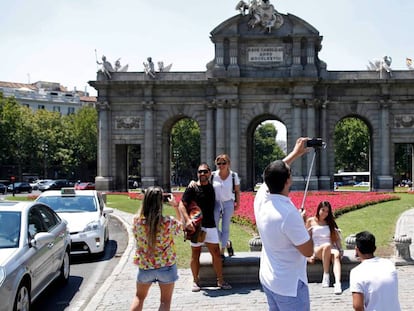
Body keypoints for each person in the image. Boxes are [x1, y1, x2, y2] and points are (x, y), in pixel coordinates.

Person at [254, 137, 314, 311]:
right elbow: (308, 251)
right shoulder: (289, 215)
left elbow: (271, 175)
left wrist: (295, 154)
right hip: (289, 286)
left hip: (269, 278)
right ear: (288, 180)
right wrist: (304, 226)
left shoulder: (261, 198)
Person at [178, 163, 232, 292]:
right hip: (196, 226)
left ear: (209, 173)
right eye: (200, 172)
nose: (202, 174)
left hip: (210, 225)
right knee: (195, 254)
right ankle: (195, 281)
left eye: (205, 172)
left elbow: (224, 172)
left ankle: (220, 281)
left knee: (216, 254)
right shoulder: (192, 188)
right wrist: (188, 220)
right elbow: (181, 204)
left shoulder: (213, 186)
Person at [130, 186, 182, 311]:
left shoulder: (136, 222)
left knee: (139, 297)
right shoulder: (168, 222)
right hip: (166, 266)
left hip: (146, 266)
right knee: (165, 301)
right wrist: (175, 206)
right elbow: (181, 226)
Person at [350, 231, 401, 311]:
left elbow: (357, 306)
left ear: (357, 249)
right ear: (374, 248)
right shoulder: (389, 264)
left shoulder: (356, 272)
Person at [305, 201, 343, 294]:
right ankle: (326, 276)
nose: (325, 213)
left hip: (330, 248)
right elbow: (306, 238)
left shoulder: (330, 222)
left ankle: (338, 283)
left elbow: (336, 238)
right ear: (318, 209)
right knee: (327, 246)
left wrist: (341, 249)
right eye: (323, 210)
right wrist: (308, 255)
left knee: (336, 255)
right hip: (317, 248)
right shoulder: (311, 221)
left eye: (327, 211)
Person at [211, 154, 240, 259]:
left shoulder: (233, 176)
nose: (221, 165)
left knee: (225, 227)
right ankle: (227, 243)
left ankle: (222, 251)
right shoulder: (213, 175)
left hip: (228, 203)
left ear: (228, 164)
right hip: (216, 203)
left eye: (224, 163)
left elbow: (237, 191)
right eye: (219, 163)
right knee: (213, 226)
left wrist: (238, 203)